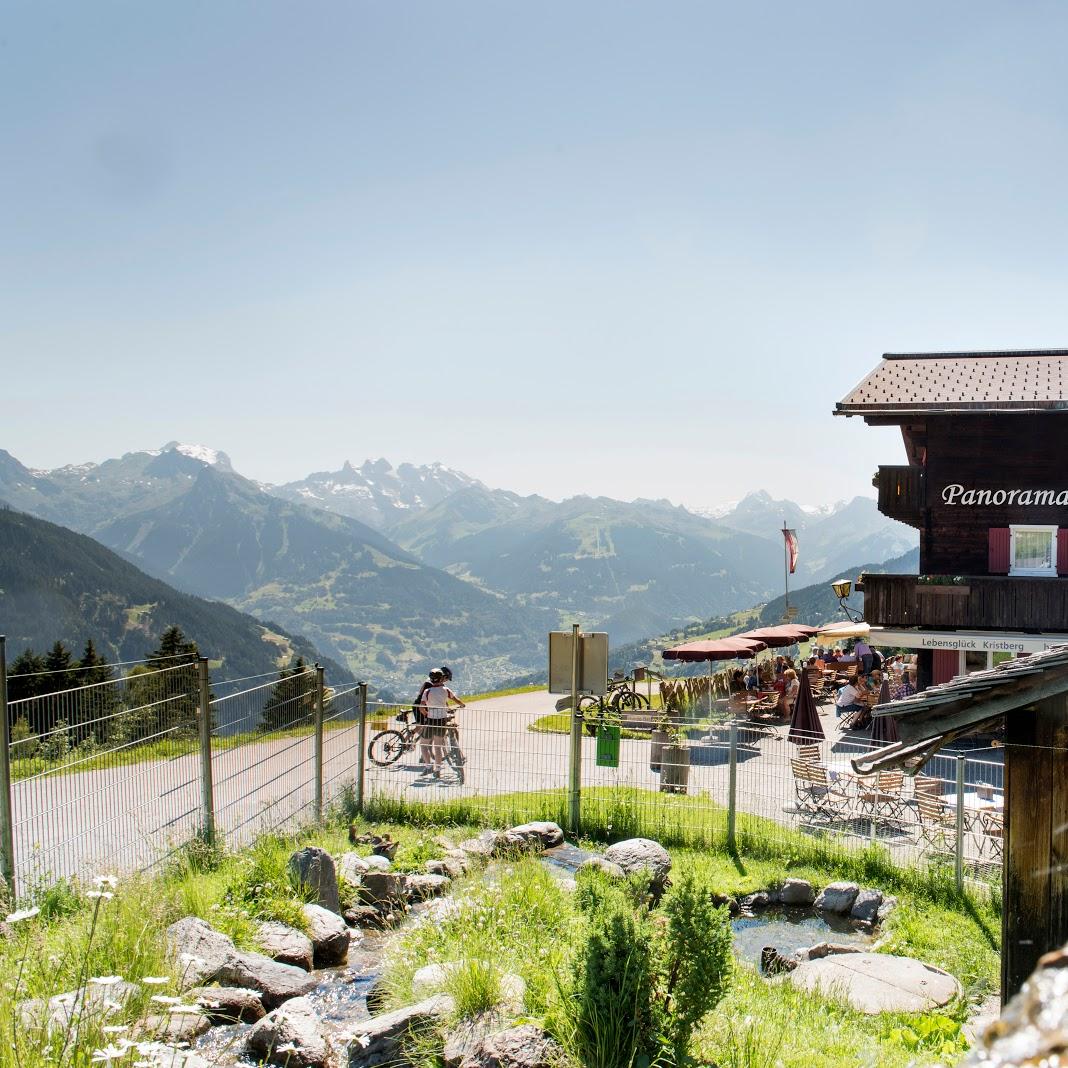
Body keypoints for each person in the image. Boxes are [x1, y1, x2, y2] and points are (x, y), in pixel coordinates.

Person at [420, 668, 466, 778]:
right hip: (442, 720)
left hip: (431, 720)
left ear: (431, 679)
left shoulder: (427, 691)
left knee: (423, 744)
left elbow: (422, 707)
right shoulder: (446, 690)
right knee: (438, 746)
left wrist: (427, 714)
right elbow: (456, 699)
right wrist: (462, 704)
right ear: (442, 678)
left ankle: (428, 766)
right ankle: (438, 769)